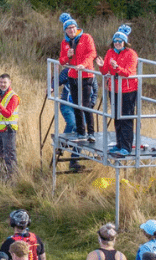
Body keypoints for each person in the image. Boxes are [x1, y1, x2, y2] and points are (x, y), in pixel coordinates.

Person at [96, 25, 139, 156]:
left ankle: (126, 147)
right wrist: (102, 66)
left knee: (126, 118)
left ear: (125, 42)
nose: (117, 43)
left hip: (128, 90)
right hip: (113, 89)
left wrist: (118, 67)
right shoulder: (110, 52)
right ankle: (119, 144)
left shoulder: (131, 54)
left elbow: (129, 73)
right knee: (116, 117)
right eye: (115, 41)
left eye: (120, 41)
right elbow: (105, 72)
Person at [58, 14, 98, 142]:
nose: (72, 30)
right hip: (73, 75)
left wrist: (84, 65)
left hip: (86, 75)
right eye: (69, 28)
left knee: (85, 104)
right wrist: (68, 56)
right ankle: (81, 132)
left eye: (74, 27)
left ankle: (91, 133)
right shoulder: (65, 42)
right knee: (76, 105)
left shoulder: (86, 37)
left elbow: (92, 53)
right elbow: (62, 60)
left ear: (77, 27)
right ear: (65, 30)